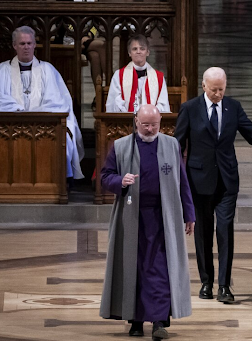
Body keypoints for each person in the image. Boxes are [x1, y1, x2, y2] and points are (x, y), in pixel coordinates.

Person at [174, 67, 252, 303]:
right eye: (214, 89)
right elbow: (177, 144)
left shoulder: (233, 107)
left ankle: (224, 286)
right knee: (204, 233)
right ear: (204, 86)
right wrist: (172, 175)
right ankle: (206, 283)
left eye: (222, 89)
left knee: (225, 231)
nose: (218, 94)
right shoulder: (189, 109)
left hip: (227, 180)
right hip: (199, 181)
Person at [99, 104, 195, 338]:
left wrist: (189, 214)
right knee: (135, 269)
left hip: (164, 219)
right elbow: (105, 176)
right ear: (136, 121)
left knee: (161, 270)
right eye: (146, 125)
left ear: (161, 122)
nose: (150, 129)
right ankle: (135, 321)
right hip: (132, 219)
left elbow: (182, 181)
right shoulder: (121, 146)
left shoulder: (171, 145)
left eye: (155, 124)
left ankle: (160, 322)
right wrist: (121, 181)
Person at [0, 26, 84, 180]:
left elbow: (57, 102)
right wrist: (18, 111)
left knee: (64, 137)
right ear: (14, 46)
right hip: (10, 124)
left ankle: (54, 182)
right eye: (22, 44)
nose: (26, 47)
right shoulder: (2, 70)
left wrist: (35, 115)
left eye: (29, 43)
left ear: (35, 45)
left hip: (44, 124)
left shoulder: (48, 70)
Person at [106, 34, 170, 113]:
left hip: (150, 121)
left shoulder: (159, 77)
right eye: (134, 49)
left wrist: (148, 115)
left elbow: (162, 104)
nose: (138, 52)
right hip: (126, 121)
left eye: (142, 49)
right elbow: (115, 102)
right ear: (129, 53)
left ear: (148, 52)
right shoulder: (118, 75)